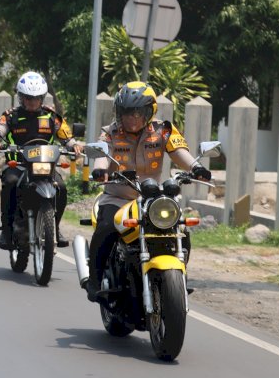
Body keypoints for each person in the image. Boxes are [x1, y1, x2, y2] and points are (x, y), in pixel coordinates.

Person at [84, 81, 212, 302]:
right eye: (126, 113)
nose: (131, 118)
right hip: (118, 197)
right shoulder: (111, 133)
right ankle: (94, 282)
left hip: (152, 197)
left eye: (137, 113)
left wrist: (196, 168)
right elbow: (102, 157)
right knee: (105, 228)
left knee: (180, 230)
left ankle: (177, 278)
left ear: (148, 112)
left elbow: (179, 151)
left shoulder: (163, 130)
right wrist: (100, 172)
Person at [0, 71, 83, 250]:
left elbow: (66, 137)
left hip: (45, 166)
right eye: (28, 98)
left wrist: (74, 145)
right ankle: (6, 231)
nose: (32, 102)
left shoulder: (51, 116)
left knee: (60, 188)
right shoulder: (10, 116)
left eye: (36, 98)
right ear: (21, 98)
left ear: (42, 98)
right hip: (19, 166)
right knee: (10, 183)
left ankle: (55, 227)